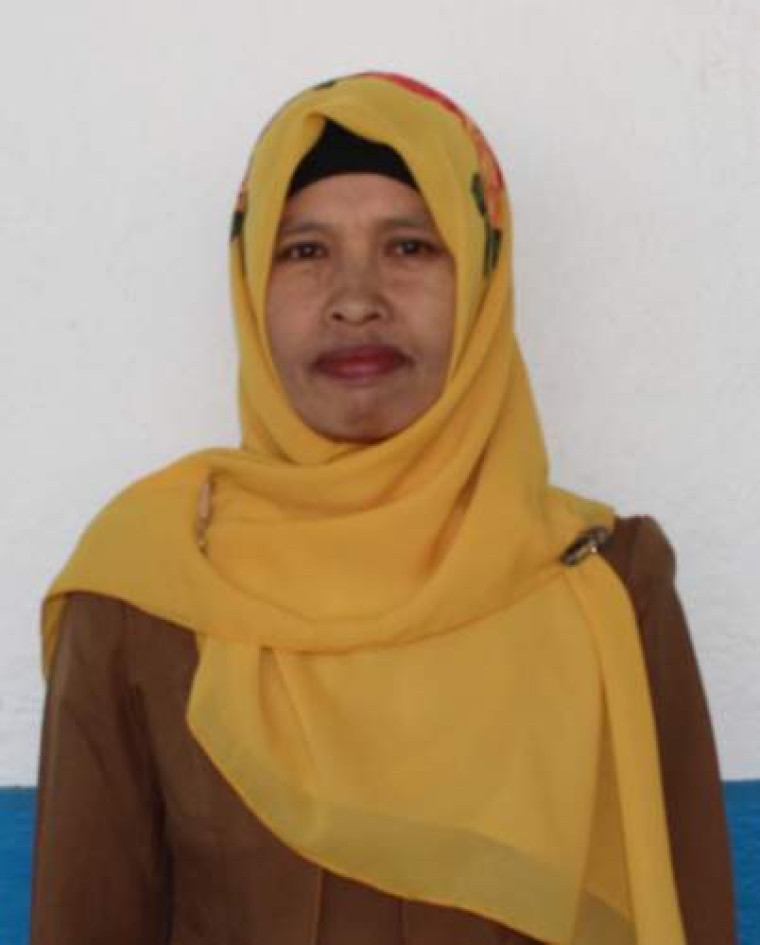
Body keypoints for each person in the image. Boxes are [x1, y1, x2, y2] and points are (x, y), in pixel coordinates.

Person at [30, 72, 737, 945]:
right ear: (250, 287)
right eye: (304, 251)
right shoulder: (148, 588)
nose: (356, 297)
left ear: (480, 279)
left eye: (409, 246)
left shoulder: (607, 582)